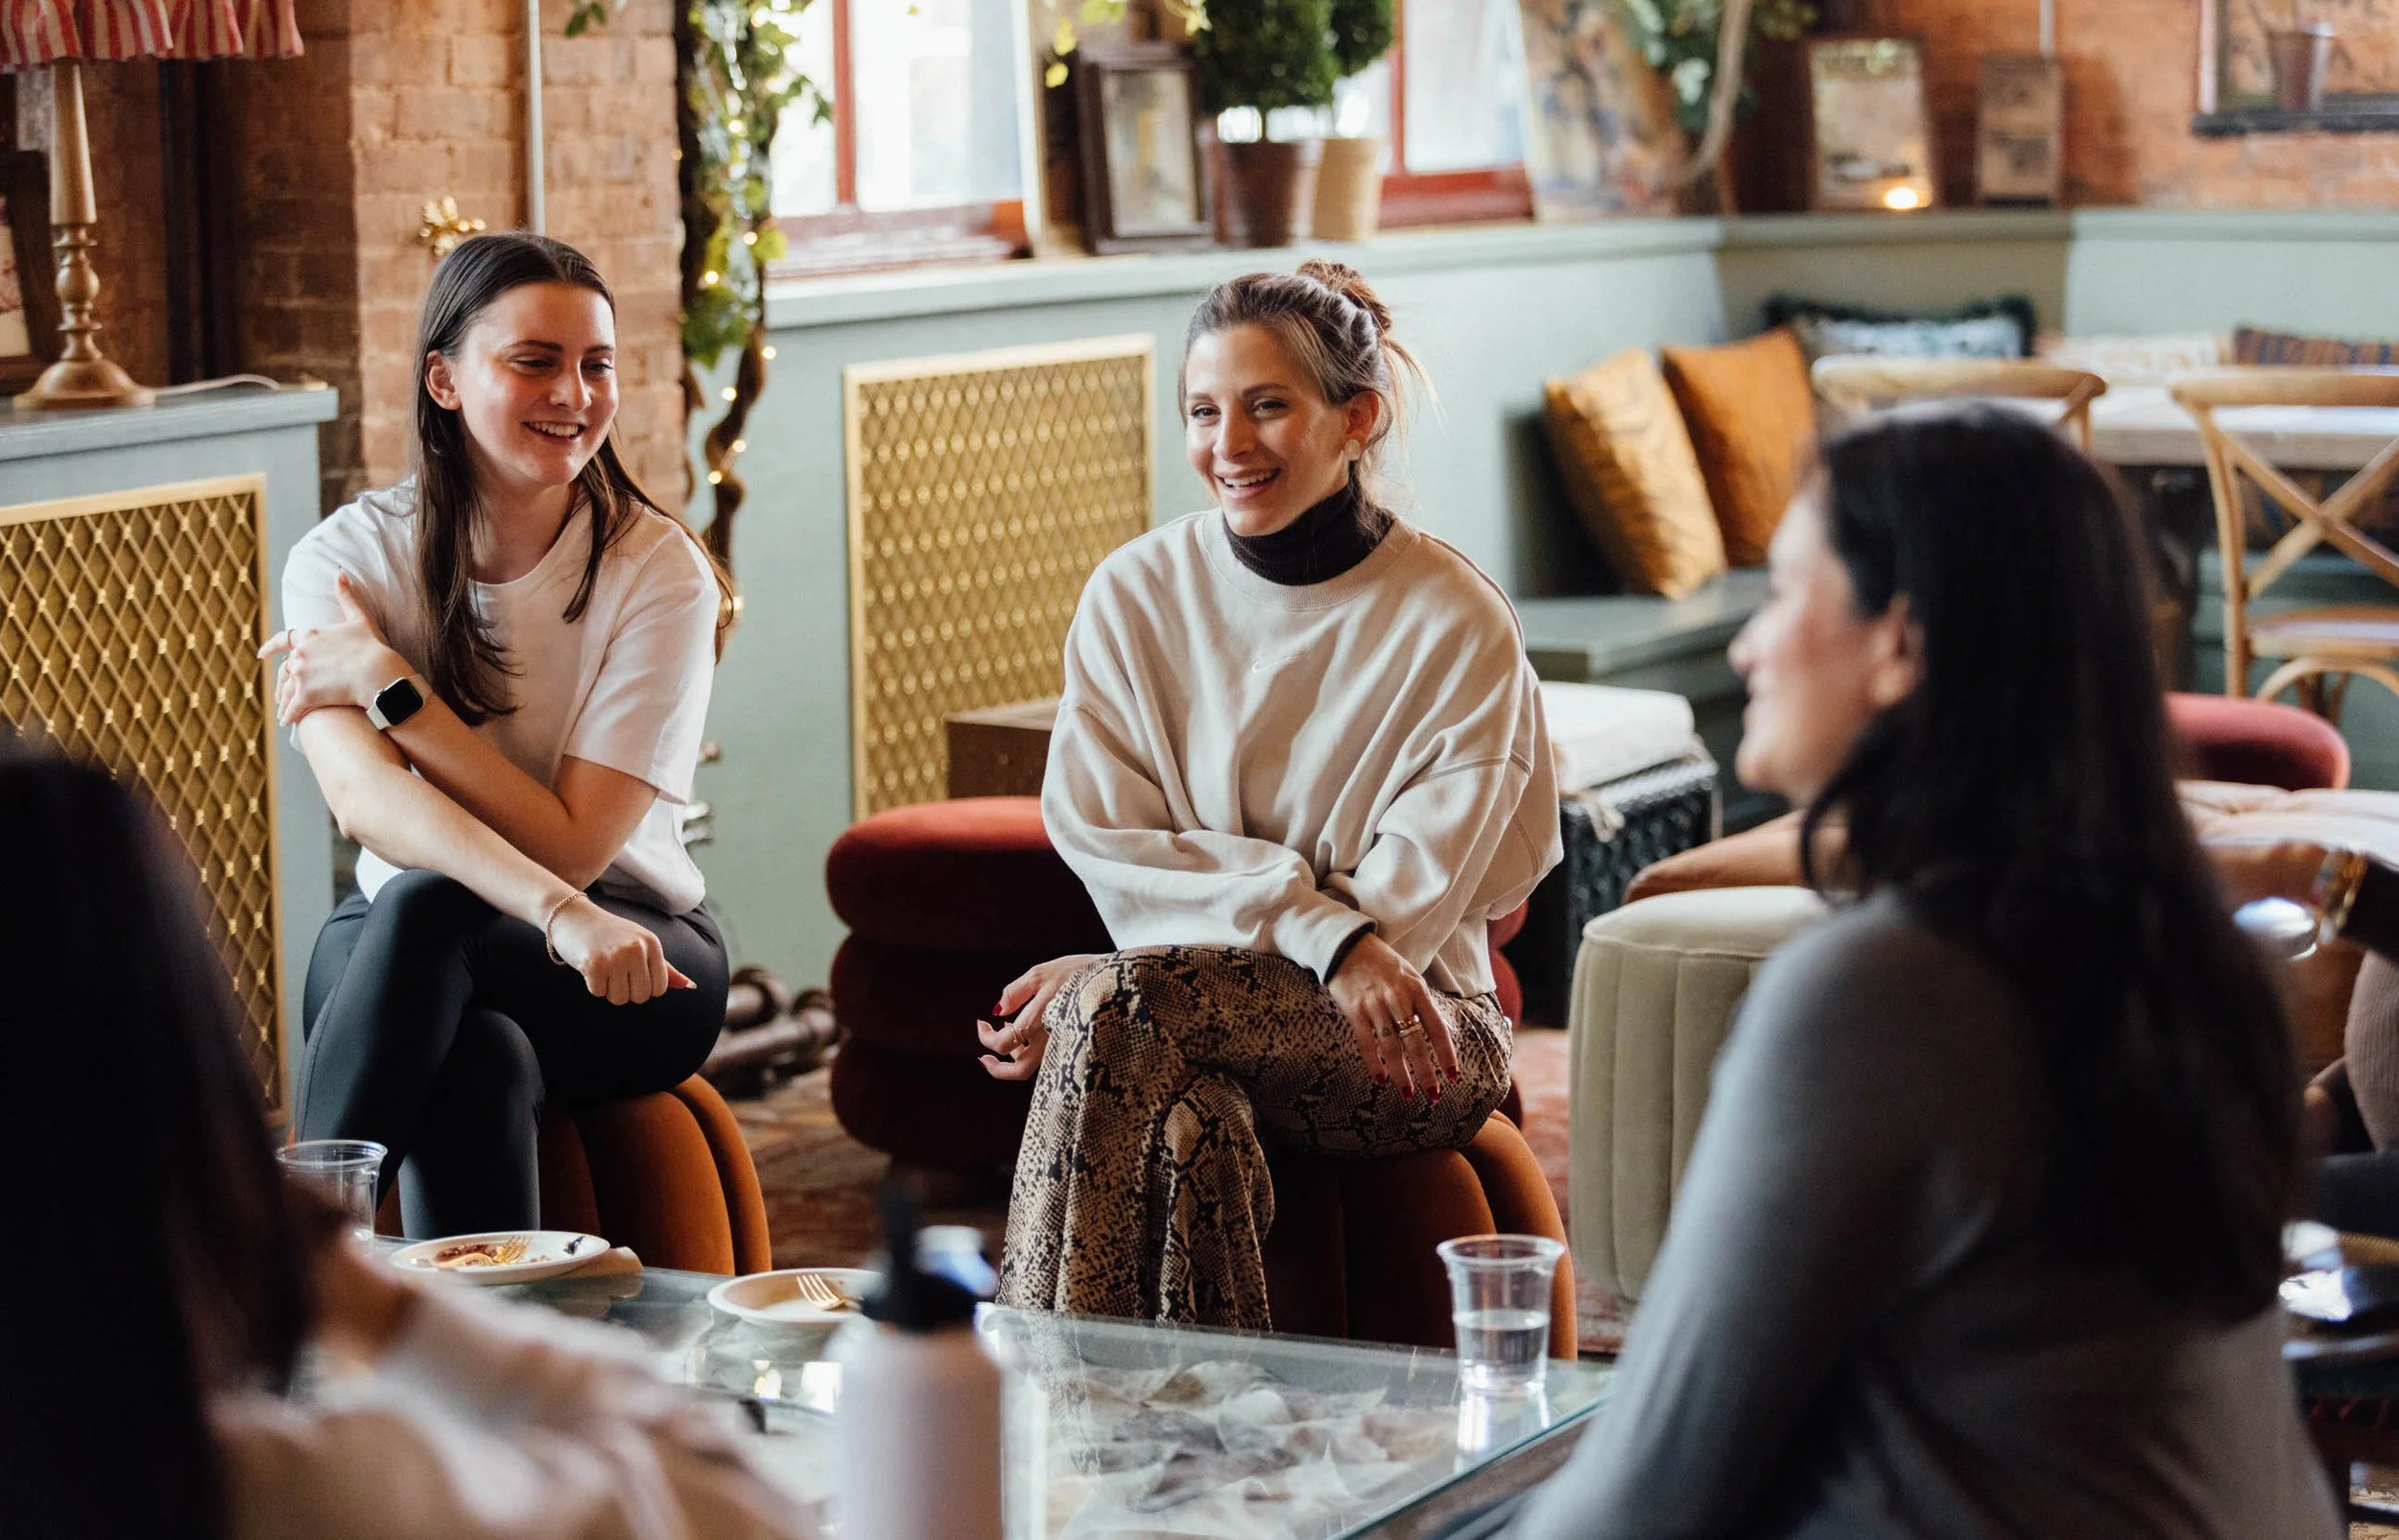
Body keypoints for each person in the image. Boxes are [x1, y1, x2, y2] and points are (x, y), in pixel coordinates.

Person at [1508, 411, 2337, 1538]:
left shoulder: (1885, 992)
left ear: (1899, 644)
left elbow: (1651, 1493)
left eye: (1785, 593)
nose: (1747, 646)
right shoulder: (2186, 951)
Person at [0, 743, 811, 1540]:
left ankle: (297, 1327)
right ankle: (300, 1317)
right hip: (488, 933)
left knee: (480, 1044)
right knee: (447, 967)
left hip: (599, 936)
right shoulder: (303, 1492)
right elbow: (727, 1506)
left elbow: (573, 840)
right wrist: (364, 1298)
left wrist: (394, 697)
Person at [985, 261, 1561, 1327]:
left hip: (1421, 1027)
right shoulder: (1133, 595)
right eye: (1203, 412)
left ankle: (1035, 1406)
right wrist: (1261, 941)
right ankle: (1211, 1447)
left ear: (1357, 419)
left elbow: (1404, 923)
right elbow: (1110, 839)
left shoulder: (1455, 619)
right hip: (1188, 1007)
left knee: (1117, 1010)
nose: (1229, 446)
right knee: (1186, 1124)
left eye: (1267, 408)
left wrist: (1139, 971)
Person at [265, 231, 731, 1237]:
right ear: (443, 378)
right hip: (417, 938)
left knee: (435, 913)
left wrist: (395, 692)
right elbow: (366, 804)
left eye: (595, 364)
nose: (574, 393)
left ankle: (284, 1271)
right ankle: (500, 1371)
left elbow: (572, 843)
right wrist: (556, 914)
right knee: (477, 1048)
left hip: (633, 951)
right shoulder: (344, 560)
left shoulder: (658, 574)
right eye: (534, 361)